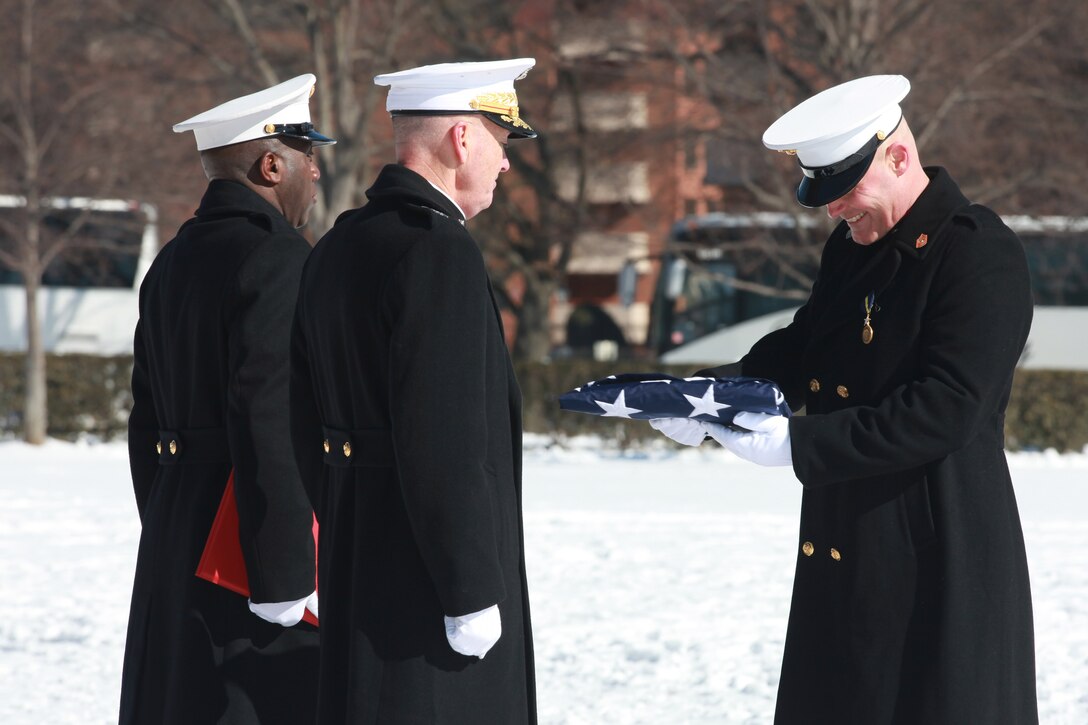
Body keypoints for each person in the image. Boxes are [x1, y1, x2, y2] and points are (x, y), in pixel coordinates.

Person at [653, 75, 1038, 724]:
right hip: (846, 548)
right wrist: (712, 397)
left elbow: (947, 407)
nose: (833, 210)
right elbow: (806, 347)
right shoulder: (853, 246)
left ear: (898, 156)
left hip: (937, 555)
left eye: (846, 189)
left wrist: (799, 444)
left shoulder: (976, 250)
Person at [289, 58, 538, 723]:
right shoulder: (438, 251)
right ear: (462, 138)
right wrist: (469, 588)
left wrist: (347, 519)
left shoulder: (338, 245)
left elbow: (301, 417)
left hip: (358, 562)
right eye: (500, 142)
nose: (504, 163)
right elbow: (444, 436)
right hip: (428, 591)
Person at [121, 75, 334, 724]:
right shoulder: (279, 257)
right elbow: (271, 417)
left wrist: (168, 521)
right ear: (271, 165)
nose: (315, 172)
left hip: (177, 528)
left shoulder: (172, 258)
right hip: (243, 550)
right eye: (306, 156)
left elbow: (145, 419)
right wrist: (284, 572)